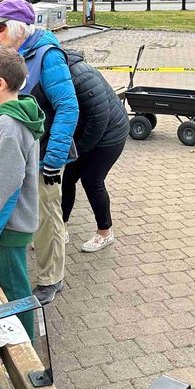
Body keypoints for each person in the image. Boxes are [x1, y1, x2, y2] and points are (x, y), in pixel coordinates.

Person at [0, 0, 79, 305]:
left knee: (47, 214)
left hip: (44, 152)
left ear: (19, 28)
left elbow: (68, 106)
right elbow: (12, 103)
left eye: (0, 27)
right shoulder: (17, 55)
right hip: (24, 149)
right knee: (32, 213)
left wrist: (54, 159)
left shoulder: (47, 56)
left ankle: (51, 279)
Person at [0, 48, 46, 339]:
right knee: (12, 283)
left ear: (0, 83)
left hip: (8, 226)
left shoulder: (9, 125)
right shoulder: (9, 116)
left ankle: (25, 348)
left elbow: (7, 184)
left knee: (15, 289)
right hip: (7, 223)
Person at [61, 49, 129, 253]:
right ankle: (60, 226)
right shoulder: (61, 75)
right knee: (68, 177)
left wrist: (77, 149)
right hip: (87, 134)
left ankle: (105, 232)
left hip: (110, 134)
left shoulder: (82, 77)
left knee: (92, 180)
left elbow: (98, 122)